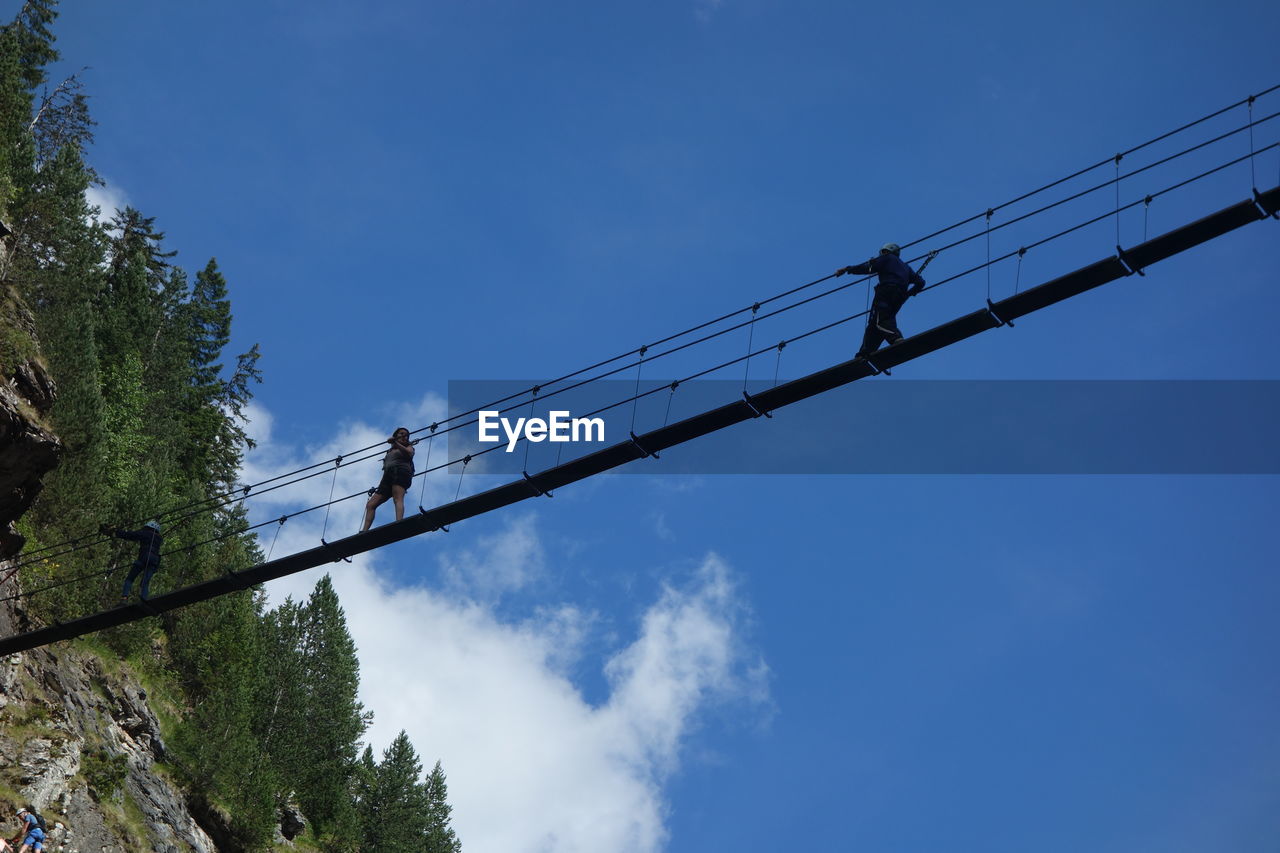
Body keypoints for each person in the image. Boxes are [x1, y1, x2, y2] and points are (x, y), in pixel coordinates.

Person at [836, 242, 927, 359]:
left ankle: (896, 338)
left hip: (885, 291)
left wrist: (847, 269)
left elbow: (866, 268)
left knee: (880, 319)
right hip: (899, 296)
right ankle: (865, 352)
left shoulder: (886, 258)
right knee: (876, 322)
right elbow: (921, 282)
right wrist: (909, 293)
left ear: (885, 251)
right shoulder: (906, 267)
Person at [361, 427, 415, 532]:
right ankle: (364, 531)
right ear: (396, 435)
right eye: (402, 434)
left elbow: (409, 453)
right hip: (387, 477)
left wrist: (396, 443)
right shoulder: (390, 450)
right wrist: (394, 444)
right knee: (371, 505)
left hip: (400, 472)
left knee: (397, 498)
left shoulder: (409, 446)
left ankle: (399, 522)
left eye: (406, 435)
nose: (405, 436)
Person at [107, 520, 163, 602]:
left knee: (129, 579)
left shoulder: (145, 533)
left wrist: (116, 531)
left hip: (144, 557)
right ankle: (144, 599)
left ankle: (124, 598)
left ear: (147, 527)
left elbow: (130, 535)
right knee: (145, 582)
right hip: (155, 560)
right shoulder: (159, 538)